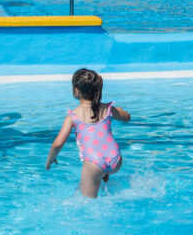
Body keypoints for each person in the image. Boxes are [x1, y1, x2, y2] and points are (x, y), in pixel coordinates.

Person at [45, 68, 130, 197]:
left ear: (76, 91)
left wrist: (50, 159)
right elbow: (127, 117)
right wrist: (120, 110)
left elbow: (58, 144)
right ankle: (104, 175)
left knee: (87, 203)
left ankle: (100, 175)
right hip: (115, 159)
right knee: (100, 175)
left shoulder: (73, 116)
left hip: (94, 163)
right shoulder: (107, 109)